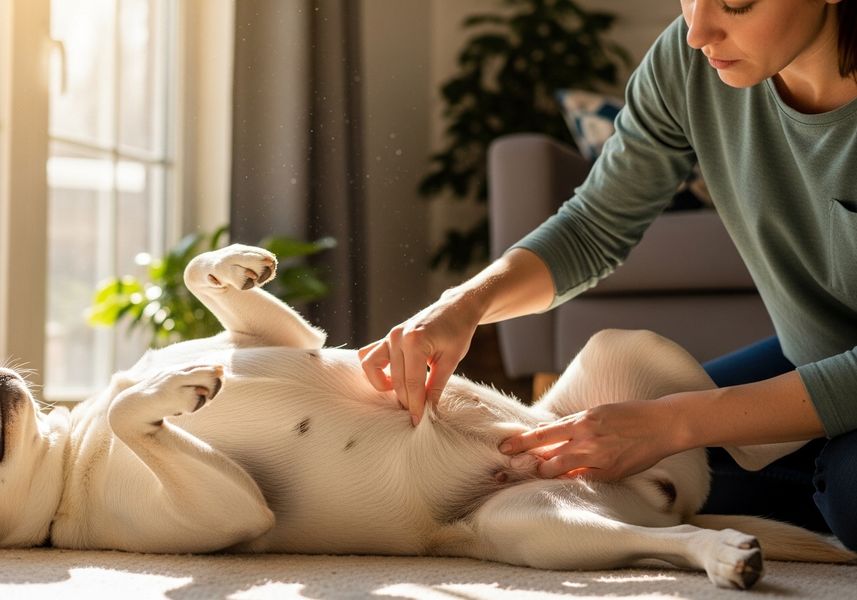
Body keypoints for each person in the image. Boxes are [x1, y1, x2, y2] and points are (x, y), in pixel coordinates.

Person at [359, 0, 857, 550]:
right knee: (634, 475)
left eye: (735, 2)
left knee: (846, 491)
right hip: (813, 355)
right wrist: (465, 304)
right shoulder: (689, 64)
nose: (697, 32)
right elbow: (593, 226)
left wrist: (681, 421)